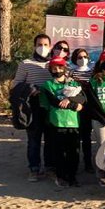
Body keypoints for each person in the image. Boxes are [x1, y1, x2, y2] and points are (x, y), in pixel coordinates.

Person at [12, 33, 54, 181]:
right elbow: (15, 84)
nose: (42, 48)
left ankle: (50, 167)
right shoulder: (25, 63)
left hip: (51, 106)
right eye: (39, 45)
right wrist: (30, 88)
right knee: (34, 139)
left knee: (51, 139)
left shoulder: (55, 63)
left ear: (50, 47)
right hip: (33, 106)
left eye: (45, 45)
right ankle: (34, 169)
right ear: (34, 46)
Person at [39, 56, 86, 187]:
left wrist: (71, 101)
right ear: (51, 70)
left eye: (60, 67)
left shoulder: (74, 83)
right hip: (56, 122)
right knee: (59, 152)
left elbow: (83, 99)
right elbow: (54, 102)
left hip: (74, 122)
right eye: (54, 68)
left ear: (65, 68)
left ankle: (72, 177)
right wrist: (73, 103)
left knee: (74, 152)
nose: (57, 70)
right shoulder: (47, 85)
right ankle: (61, 176)